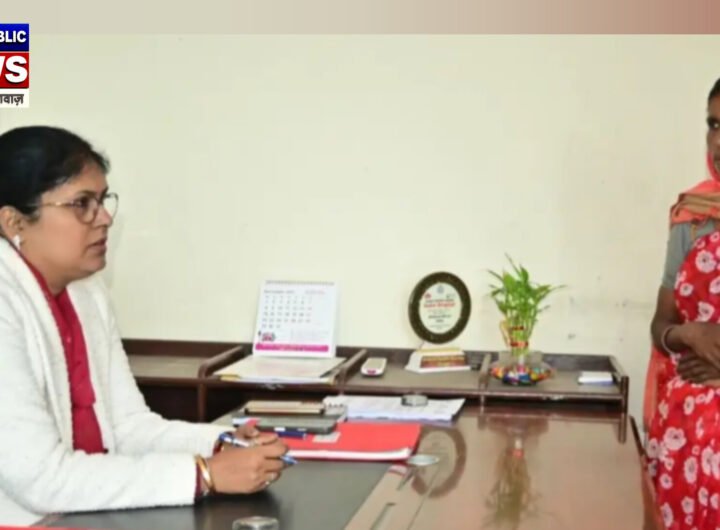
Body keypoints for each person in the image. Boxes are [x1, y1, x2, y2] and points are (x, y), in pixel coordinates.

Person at [0, 126, 289, 526]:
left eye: (103, 200)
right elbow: (41, 479)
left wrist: (220, 444)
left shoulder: (87, 292)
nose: (104, 219)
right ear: (14, 221)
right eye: (82, 204)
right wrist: (203, 475)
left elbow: (127, 428)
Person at [647, 77, 720, 530]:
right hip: (683, 435)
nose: (718, 141)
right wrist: (686, 334)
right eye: (713, 125)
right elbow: (660, 325)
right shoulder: (691, 217)